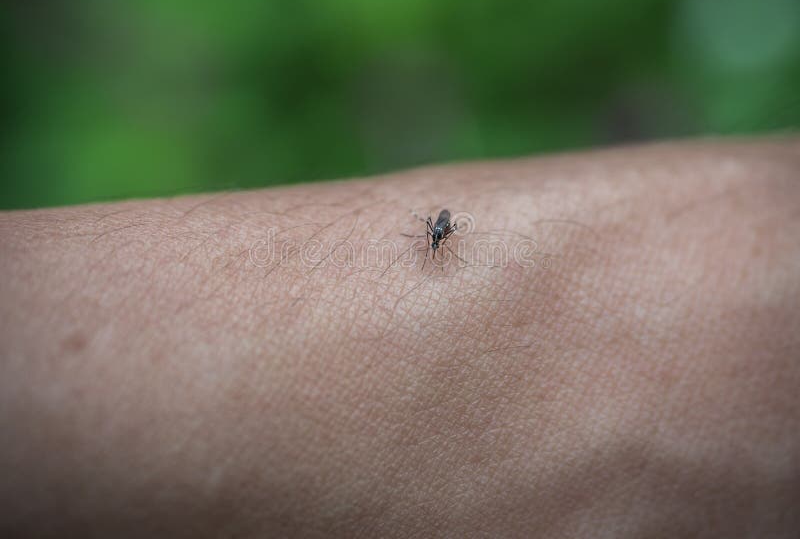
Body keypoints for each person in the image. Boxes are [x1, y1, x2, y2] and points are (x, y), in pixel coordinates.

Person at [1, 139, 798, 537]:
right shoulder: (435, 235)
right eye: (439, 238)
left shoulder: (450, 235)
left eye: (439, 238)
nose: (439, 239)